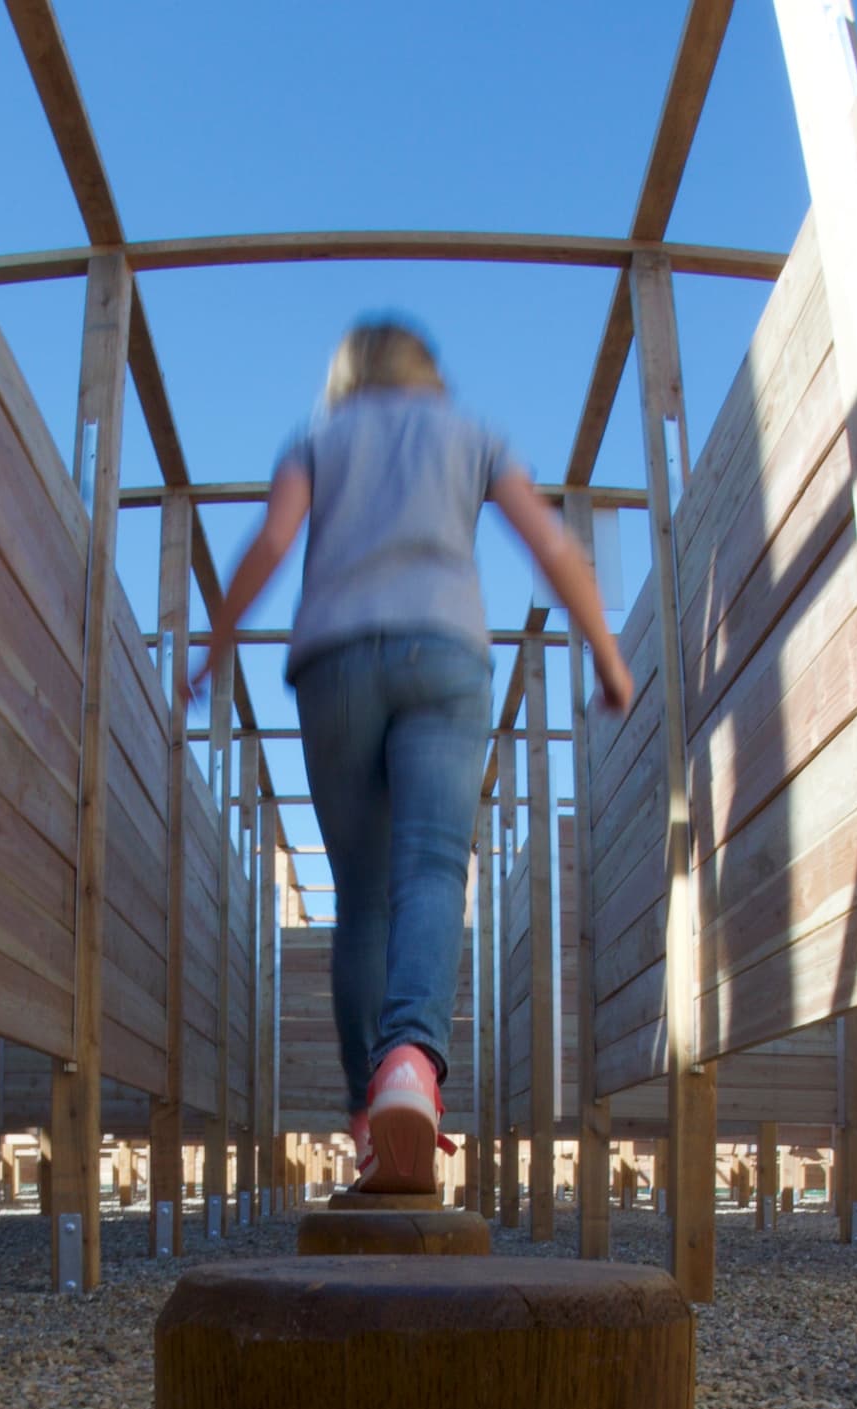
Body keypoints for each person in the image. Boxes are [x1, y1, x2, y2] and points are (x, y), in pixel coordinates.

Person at [191, 317, 633, 1192]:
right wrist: (607, 656)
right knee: (433, 870)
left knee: (360, 897)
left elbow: (275, 541)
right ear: (429, 371)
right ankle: (411, 1068)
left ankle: (367, 1116)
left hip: (335, 664)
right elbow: (551, 544)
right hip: (445, 655)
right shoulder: (471, 433)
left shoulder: (317, 436)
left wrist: (215, 647)